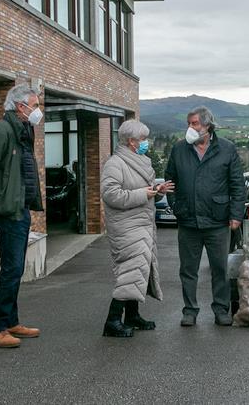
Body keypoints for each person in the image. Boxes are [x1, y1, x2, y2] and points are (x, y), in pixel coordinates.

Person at [0, 84, 45, 348]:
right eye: (35, 105)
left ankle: (11, 320)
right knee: (12, 268)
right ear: (20, 106)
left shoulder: (23, 130)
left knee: (15, 268)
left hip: (19, 207)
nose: (38, 111)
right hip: (7, 209)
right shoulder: (2, 131)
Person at [165, 106, 245, 327]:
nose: (190, 128)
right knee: (188, 270)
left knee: (220, 268)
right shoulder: (179, 149)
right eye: (188, 124)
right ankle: (189, 311)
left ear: (207, 126)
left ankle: (221, 310)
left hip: (218, 221)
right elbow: (170, 181)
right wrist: (175, 206)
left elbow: (237, 185)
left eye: (194, 124)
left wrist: (236, 215)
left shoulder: (227, 149)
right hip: (188, 221)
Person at [100, 120, 173, 337]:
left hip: (141, 224)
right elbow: (111, 194)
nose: (145, 143)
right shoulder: (115, 163)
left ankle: (132, 315)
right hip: (126, 227)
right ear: (131, 141)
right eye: (142, 139)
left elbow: (143, 190)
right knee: (130, 271)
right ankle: (112, 321)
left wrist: (156, 190)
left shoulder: (139, 161)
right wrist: (145, 193)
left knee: (140, 270)